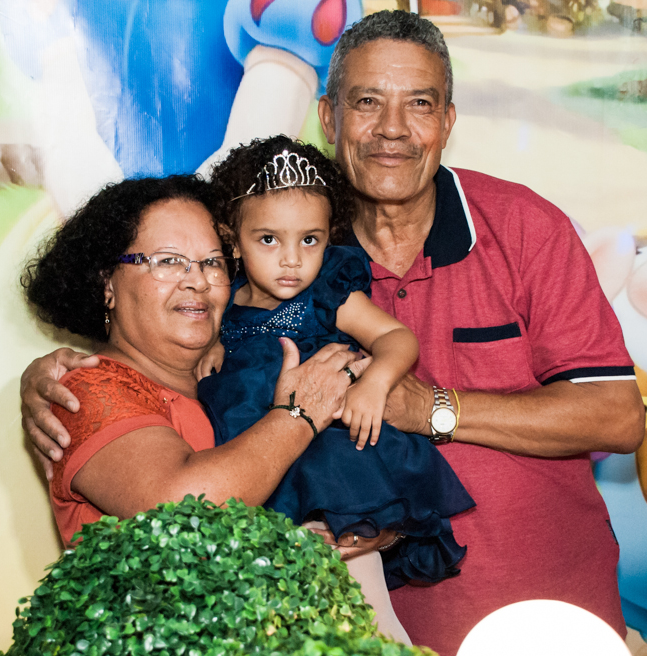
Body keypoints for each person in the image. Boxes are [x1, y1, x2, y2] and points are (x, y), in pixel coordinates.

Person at [22, 11, 647, 656]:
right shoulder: (284, 241)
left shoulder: (525, 229)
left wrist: (432, 408)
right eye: (367, 102)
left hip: (551, 627)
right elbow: (155, 296)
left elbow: (616, 415)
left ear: (448, 122)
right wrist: (53, 371)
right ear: (328, 116)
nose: (393, 129)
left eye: (420, 105)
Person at [19, 173, 366, 548]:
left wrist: (368, 526)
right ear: (107, 283)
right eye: (168, 261)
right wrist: (300, 415)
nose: (197, 281)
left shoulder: (243, 377)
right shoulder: (84, 390)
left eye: (213, 263)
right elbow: (183, 508)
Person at [198, 134, 473, 604]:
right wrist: (211, 346)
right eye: (268, 239)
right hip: (259, 462)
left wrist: (376, 384)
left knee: (359, 601)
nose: (292, 259)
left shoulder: (327, 295)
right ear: (233, 241)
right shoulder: (222, 306)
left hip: (338, 464)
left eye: (311, 240)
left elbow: (396, 338)